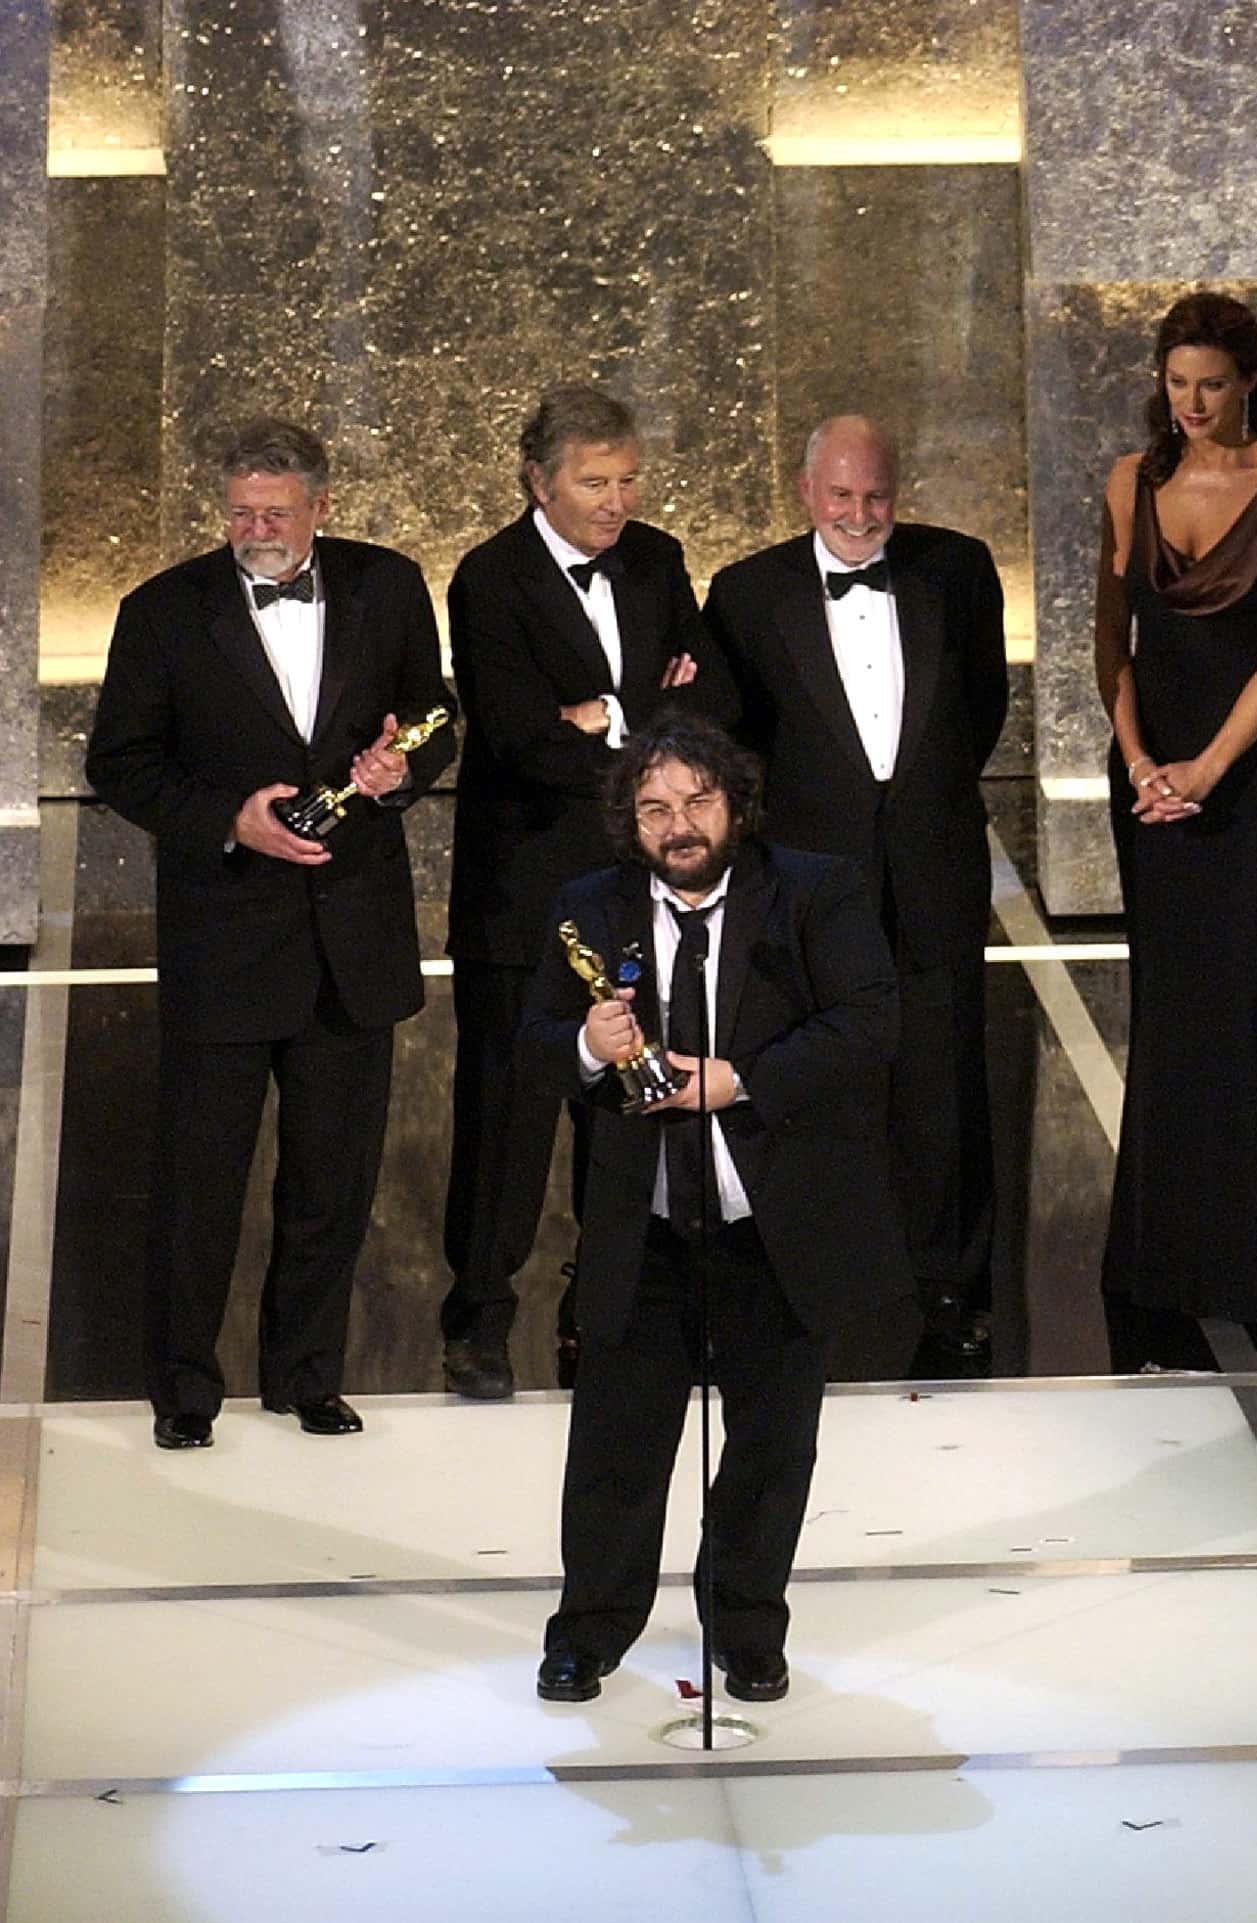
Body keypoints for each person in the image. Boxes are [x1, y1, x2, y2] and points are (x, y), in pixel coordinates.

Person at [85, 419, 458, 1449]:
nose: (255, 528)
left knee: (332, 1184)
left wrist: (401, 770)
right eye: (241, 510)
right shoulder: (162, 613)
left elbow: (432, 717)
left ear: (319, 509)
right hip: (227, 933)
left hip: (355, 939)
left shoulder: (387, 587)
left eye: (274, 512)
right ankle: (184, 1392)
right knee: (200, 1185)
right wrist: (228, 818)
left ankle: (307, 1377)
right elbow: (121, 763)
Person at [529, 720, 908, 1703]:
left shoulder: (814, 889)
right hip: (643, 1230)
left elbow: (870, 1019)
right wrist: (585, 1044)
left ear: (736, 804)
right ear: (631, 824)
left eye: (697, 802)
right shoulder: (588, 906)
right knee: (616, 1445)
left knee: (773, 1447)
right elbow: (529, 1050)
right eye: (655, 809)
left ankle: (746, 1626)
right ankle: (590, 1630)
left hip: (773, 1230)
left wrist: (738, 1081)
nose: (679, 825)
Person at [442, 384, 727, 1401]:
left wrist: (603, 716)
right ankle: (477, 1317)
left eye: (626, 480)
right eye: (594, 483)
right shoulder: (489, 579)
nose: (616, 501)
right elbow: (517, 738)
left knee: (626, 1106)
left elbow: (706, 700)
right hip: (521, 895)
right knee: (507, 1116)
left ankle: (601, 1310)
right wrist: (641, 725)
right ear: (539, 480)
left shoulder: (657, 559)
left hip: (632, 891)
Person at [706, 416, 1011, 1365]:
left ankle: (947, 1284)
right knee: (809, 1079)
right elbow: (738, 741)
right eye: (840, 496)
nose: (859, 514)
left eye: (875, 496)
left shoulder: (957, 571)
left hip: (934, 866)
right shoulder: (747, 593)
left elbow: (982, 709)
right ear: (806, 492)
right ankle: (809, 1278)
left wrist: (916, 808)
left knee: (942, 1081)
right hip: (811, 883)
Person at [1093, 293, 1257, 1372]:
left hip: (1241, 778)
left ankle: (1244, 1264)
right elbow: (1112, 646)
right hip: (1150, 773)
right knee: (1167, 1008)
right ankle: (1156, 1260)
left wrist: (1206, 768)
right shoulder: (1130, 482)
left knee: (1237, 1010)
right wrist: (1144, 762)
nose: (1191, 403)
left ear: (1248, 381)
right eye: (1177, 382)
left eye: (1212, 384)